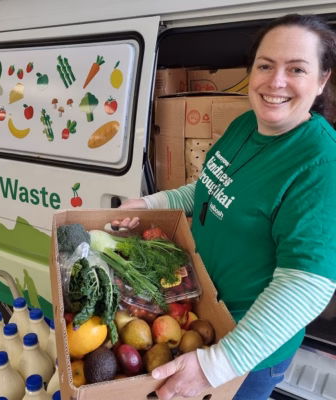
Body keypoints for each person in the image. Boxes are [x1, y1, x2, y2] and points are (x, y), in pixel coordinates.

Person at [112, 14, 336, 400]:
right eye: (265, 65)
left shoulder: (320, 163)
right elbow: (208, 188)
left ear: (322, 80)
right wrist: (148, 203)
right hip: (203, 316)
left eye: (296, 68)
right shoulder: (245, 125)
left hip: (245, 350)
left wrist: (218, 364)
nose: (276, 80)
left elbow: (308, 284)